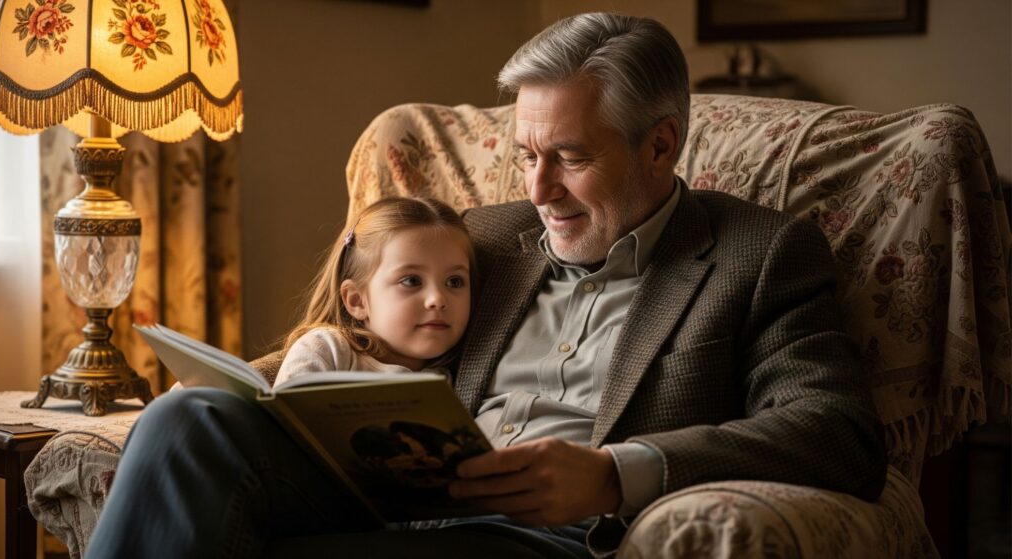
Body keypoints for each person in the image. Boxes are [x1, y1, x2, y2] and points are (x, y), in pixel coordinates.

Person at [86, 13, 887, 559]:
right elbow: (374, 327)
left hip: (542, 538)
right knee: (185, 420)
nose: (538, 190)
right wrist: (272, 382)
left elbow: (838, 432)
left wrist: (613, 472)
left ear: (660, 145)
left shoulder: (760, 253)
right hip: (403, 497)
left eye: (570, 158)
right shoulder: (488, 236)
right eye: (527, 155)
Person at [275, 196, 473, 386]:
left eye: (454, 282)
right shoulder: (327, 350)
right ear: (357, 301)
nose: (437, 299)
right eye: (412, 281)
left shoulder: (464, 378)